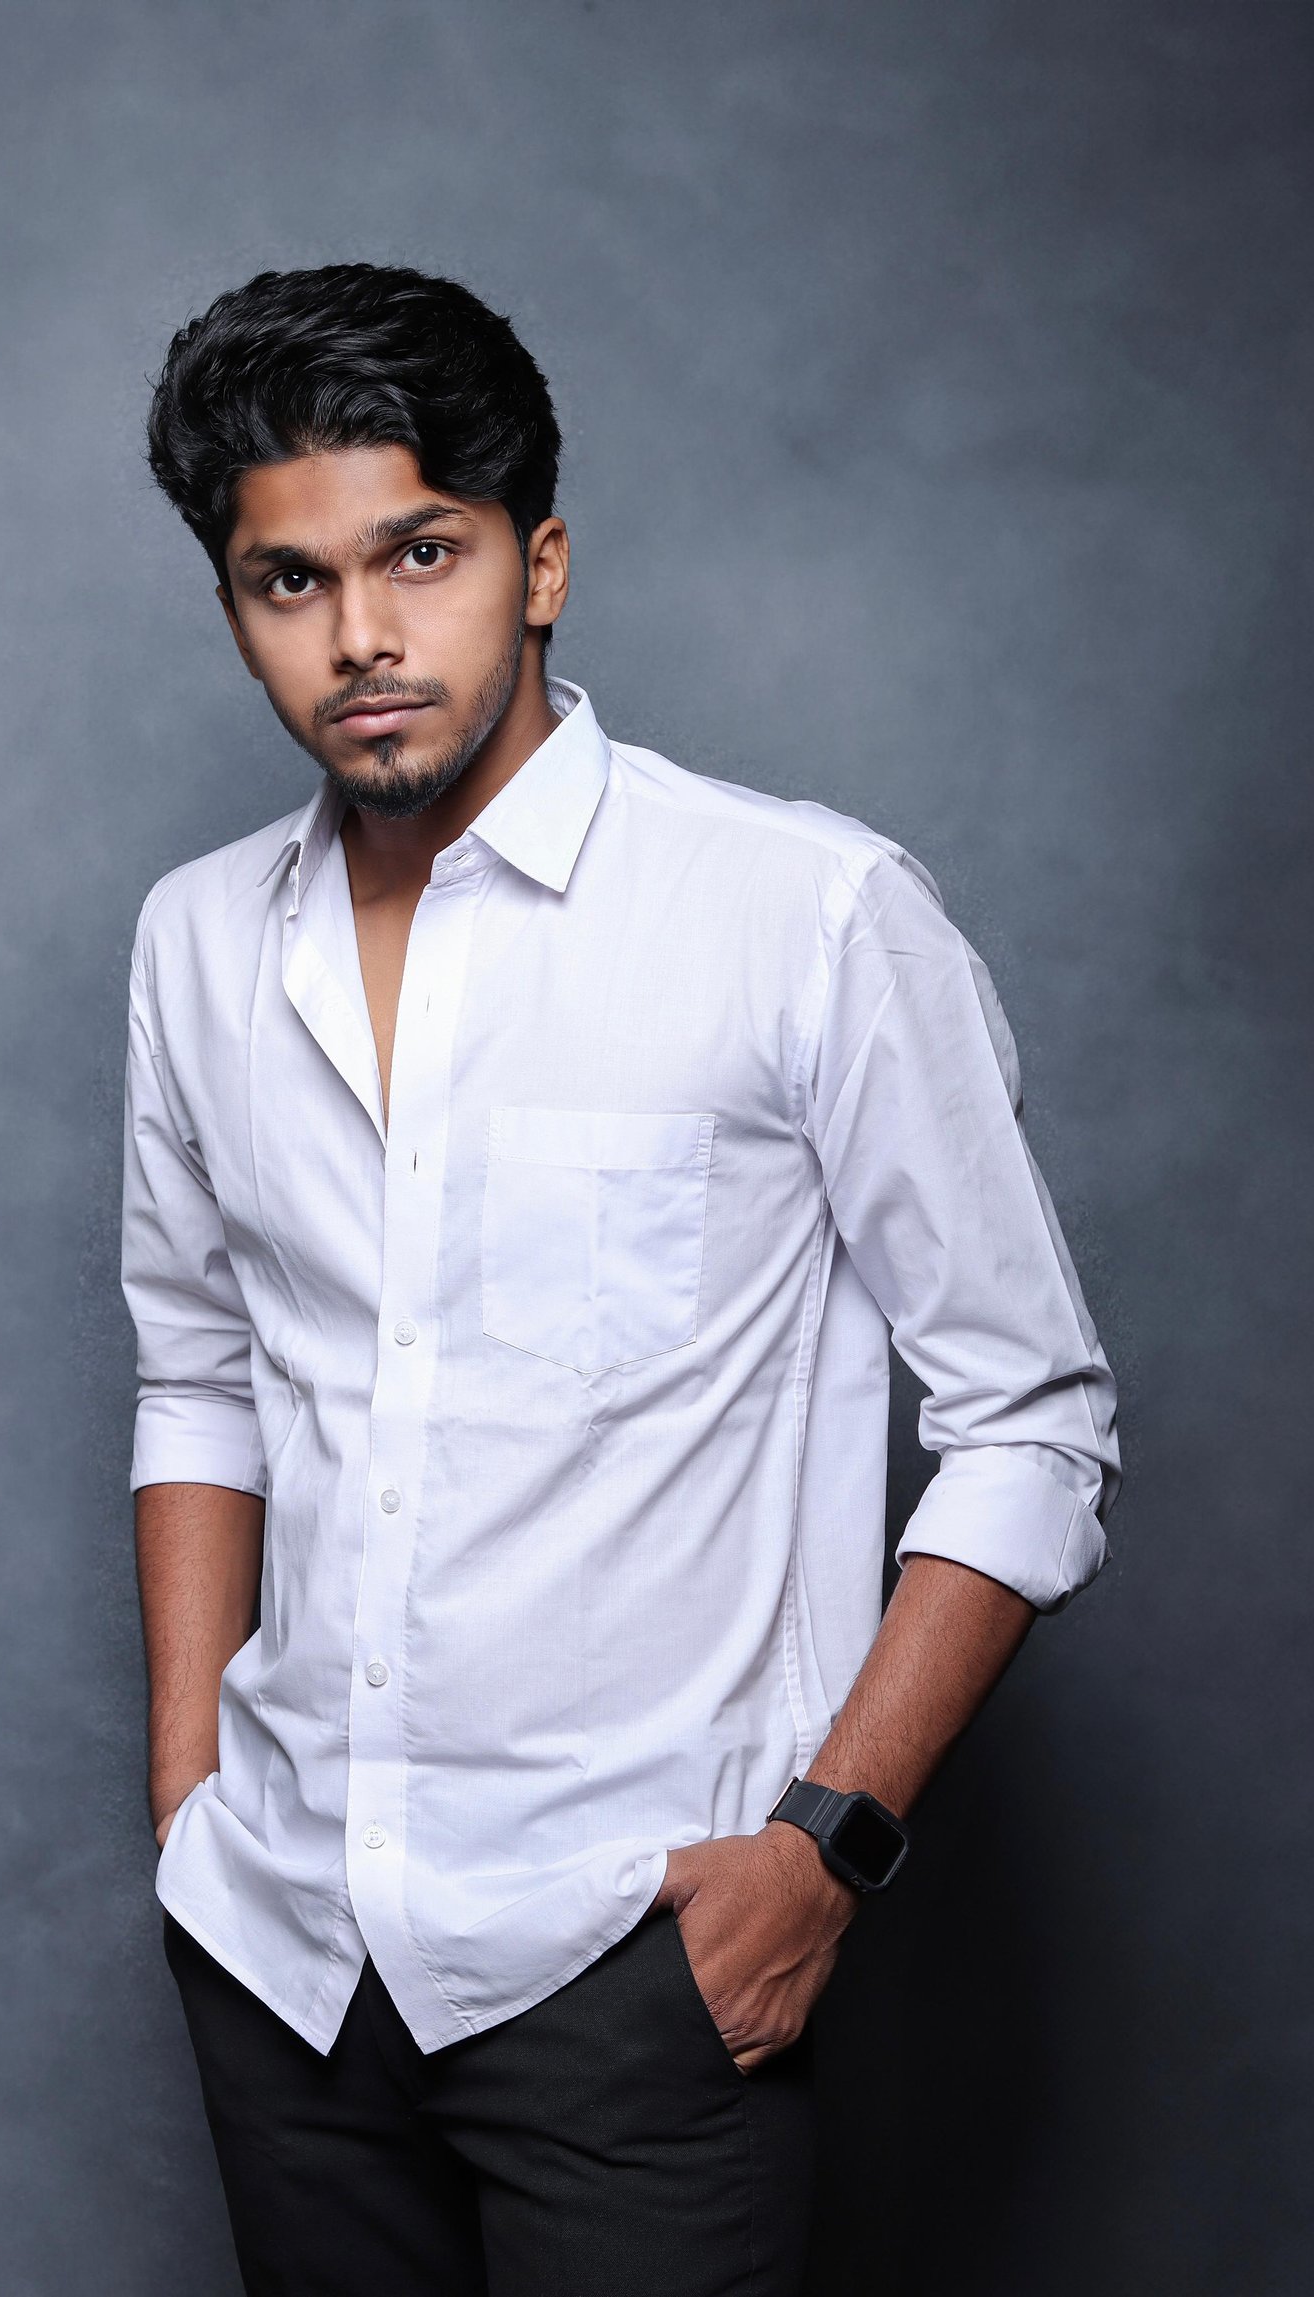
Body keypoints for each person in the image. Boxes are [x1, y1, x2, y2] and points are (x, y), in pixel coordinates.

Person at [122, 262, 1119, 2296]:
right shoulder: (197, 941)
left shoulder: (805, 915)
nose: (361, 635)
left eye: (420, 554)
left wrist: (827, 1847)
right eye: (289, 581)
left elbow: (1033, 1423)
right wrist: (188, 1799)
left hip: (638, 1963)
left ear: (542, 562)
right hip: (283, 1956)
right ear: (234, 607)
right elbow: (199, 1370)